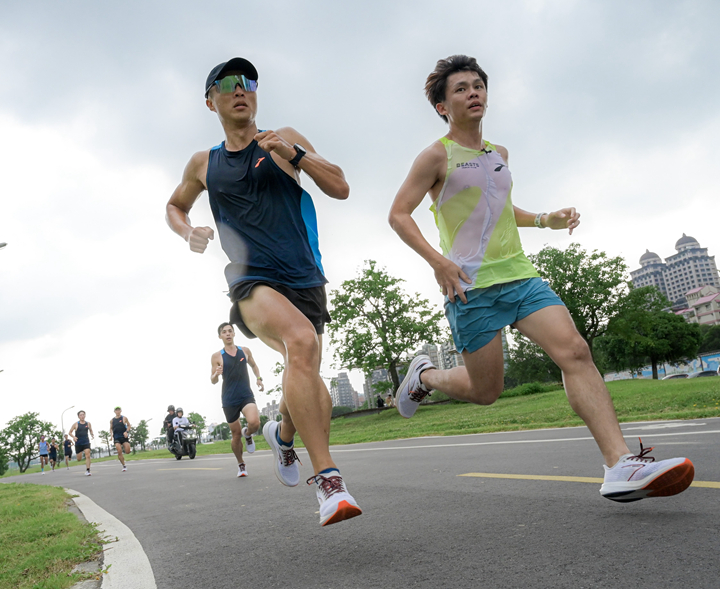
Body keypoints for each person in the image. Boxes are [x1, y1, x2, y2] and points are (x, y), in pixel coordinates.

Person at [388, 54, 695, 503]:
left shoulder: (499, 154)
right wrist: (438, 261)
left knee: (575, 350)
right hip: (471, 286)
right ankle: (427, 376)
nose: (474, 92)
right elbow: (398, 215)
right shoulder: (436, 155)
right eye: (461, 88)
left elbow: (499, 210)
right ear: (442, 106)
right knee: (486, 391)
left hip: (520, 275)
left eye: (478, 85)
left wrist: (546, 219)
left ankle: (619, 463)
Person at [166, 57, 361, 525]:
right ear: (210, 98)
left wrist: (294, 154)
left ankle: (283, 434)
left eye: (248, 82)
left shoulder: (284, 137)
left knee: (309, 373)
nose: (241, 90)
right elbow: (174, 205)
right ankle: (330, 484)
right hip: (250, 281)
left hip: (305, 278)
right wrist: (186, 230)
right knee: (301, 341)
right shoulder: (204, 163)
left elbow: (340, 187)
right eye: (229, 84)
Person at [211, 322, 264, 478]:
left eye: (230, 331)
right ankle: (241, 465)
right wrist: (216, 374)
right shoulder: (217, 356)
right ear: (220, 336)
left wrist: (259, 378)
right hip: (229, 399)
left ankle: (247, 434)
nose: (227, 334)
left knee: (254, 423)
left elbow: (254, 366)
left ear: (234, 333)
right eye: (224, 332)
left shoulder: (245, 351)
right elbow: (213, 380)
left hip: (245, 395)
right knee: (235, 435)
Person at [68, 410, 94, 476]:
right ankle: (80, 453)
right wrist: (74, 437)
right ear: (78, 416)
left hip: (86, 442)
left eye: (83, 415)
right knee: (79, 459)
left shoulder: (88, 423)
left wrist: (92, 434)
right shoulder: (76, 424)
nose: (82, 416)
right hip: (78, 443)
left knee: (88, 455)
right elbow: (70, 432)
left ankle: (88, 470)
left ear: (85, 415)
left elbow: (90, 429)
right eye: (81, 415)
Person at [110, 407, 132, 472]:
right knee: (119, 450)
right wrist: (111, 435)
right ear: (114, 411)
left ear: (121, 411)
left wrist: (126, 432)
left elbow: (129, 425)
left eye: (119, 410)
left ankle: (124, 449)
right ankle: (124, 465)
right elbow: (111, 428)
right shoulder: (112, 420)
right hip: (116, 437)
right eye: (116, 410)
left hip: (123, 436)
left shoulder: (124, 418)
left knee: (127, 451)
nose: (118, 411)